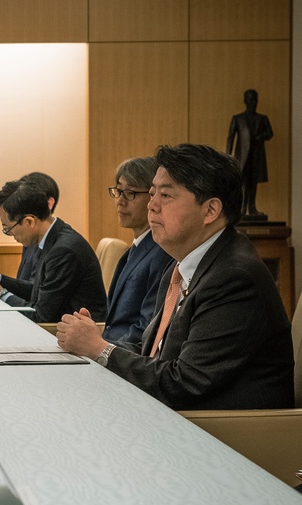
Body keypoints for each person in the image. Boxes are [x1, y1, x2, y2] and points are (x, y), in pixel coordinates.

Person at [56, 143, 293, 411]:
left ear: (211, 210)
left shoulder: (234, 277)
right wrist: (95, 344)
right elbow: (154, 351)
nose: (152, 205)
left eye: (166, 196)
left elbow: (185, 383)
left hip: (226, 433)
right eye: (153, 193)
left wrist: (101, 349)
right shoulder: (182, 265)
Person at [0, 180, 106, 323]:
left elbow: (40, 316)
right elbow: (37, 291)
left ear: (29, 221)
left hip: (73, 334)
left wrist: (0, 293)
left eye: (8, 228)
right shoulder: (52, 237)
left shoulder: (63, 251)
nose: (11, 234)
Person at [102, 157, 171, 345]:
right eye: (118, 191)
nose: (120, 201)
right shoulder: (136, 247)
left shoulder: (162, 252)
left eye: (130, 193)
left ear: (153, 197)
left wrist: (99, 349)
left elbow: (146, 330)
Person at [226, 89, 273, 219]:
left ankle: (252, 208)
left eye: (254, 100)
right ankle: (241, 208)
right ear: (245, 101)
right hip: (242, 156)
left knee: (253, 182)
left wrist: (261, 136)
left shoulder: (262, 119)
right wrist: (228, 157)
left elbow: (270, 133)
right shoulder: (238, 118)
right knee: (242, 182)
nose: (252, 103)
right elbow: (230, 138)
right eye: (250, 100)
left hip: (257, 156)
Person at [16, 172, 60, 282]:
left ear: (49, 203)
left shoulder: (59, 247)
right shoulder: (31, 237)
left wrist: (1, 291)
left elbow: (35, 293)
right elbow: (24, 284)